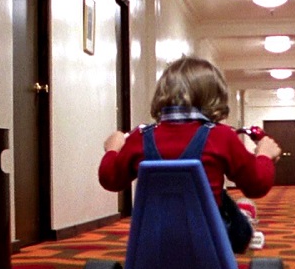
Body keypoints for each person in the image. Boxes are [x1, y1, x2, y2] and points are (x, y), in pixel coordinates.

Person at [98, 56, 281, 252]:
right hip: (209, 241)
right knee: (225, 205)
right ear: (215, 96)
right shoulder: (222, 136)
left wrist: (113, 149)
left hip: (153, 237)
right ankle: (243, 217)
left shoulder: (140, 137)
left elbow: (110, 179)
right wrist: (264, 156)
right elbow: (256, 186)